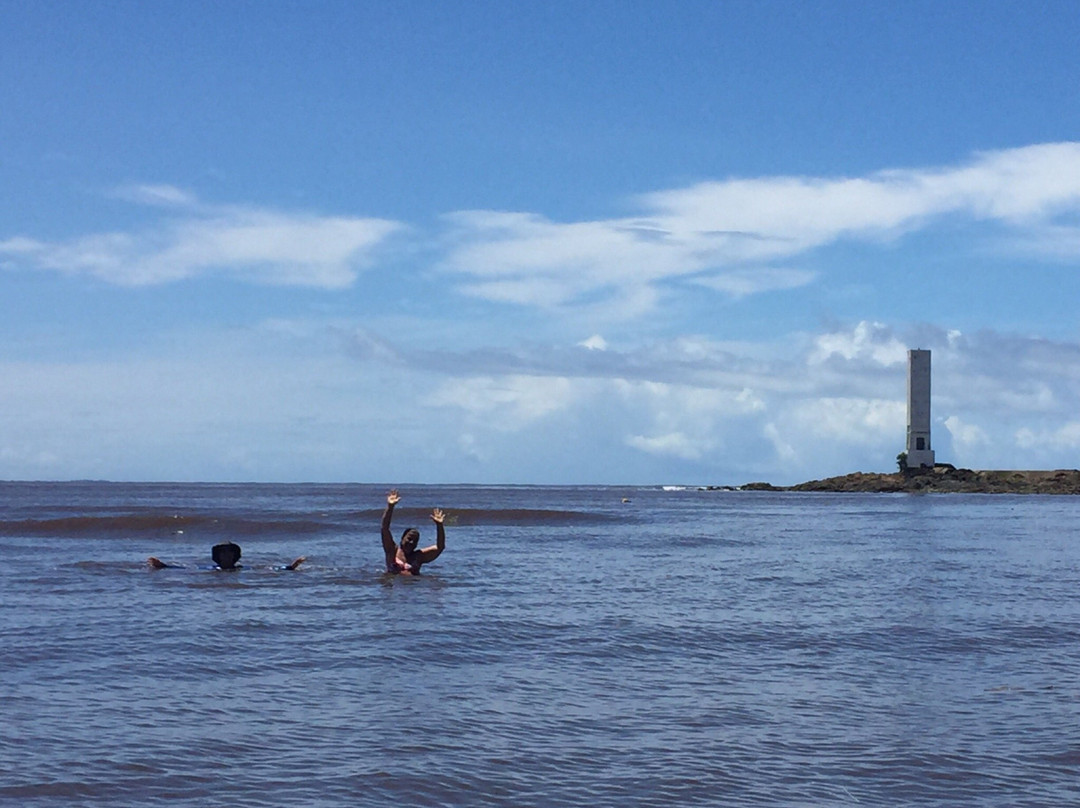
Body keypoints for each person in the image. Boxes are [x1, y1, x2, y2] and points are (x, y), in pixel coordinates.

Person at [381, 489, 445, 575]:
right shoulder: (392, 550)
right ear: (402, 538)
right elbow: (385, 529)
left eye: (415, 541)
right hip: (395, 586)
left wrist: (439, 525)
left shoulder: (418, 556)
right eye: (409, 539)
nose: (411, 542)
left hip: (414, 586)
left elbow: (440, 547)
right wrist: (390, 507)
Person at [147, 542, 305, 571]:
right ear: (218, 556)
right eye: (223, 553)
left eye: (230, 553)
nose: (227, 556)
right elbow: (183, 569)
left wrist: (290, 567)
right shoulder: (211, 569)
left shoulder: (242, 569)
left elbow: (268, 569)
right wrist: (163, 566)